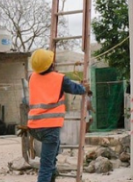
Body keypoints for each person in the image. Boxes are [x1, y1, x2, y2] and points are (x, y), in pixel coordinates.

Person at [27, 49, 90, 182]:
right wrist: (85, 88)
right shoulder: (60, 79)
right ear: (51, 64)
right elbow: (76, 89)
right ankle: (50, 173)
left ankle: (52, 173)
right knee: (46, 165)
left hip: (33, 127)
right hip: (49, 128)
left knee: (53, 151)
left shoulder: (31, 77)